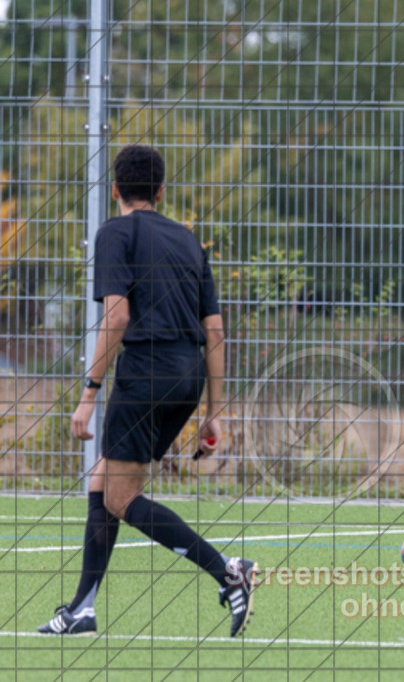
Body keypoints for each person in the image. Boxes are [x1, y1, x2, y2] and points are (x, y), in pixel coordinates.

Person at [39, 145, 259, 637]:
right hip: (187, 375)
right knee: (103, 480)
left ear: (115, 189)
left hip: (145, 374)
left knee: (121, 497)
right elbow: (216, 331)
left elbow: (117, 317)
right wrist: (214, 413)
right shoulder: (188, 241)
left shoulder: (114, 233)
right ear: (161, 192)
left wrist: (89, 393)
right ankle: (82, 608)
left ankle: (228, 570)